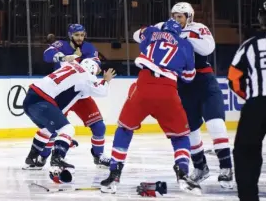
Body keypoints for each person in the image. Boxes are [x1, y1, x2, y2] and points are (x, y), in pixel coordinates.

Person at [100, 19, 201, 196]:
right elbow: (189, 77)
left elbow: (137, 35)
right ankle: (183, 171)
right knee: (181, 136)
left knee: (124, 129)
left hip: (144, 85)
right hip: (169, 89)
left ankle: (114, 173)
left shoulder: (152, 32)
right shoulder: (186, 44)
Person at [155, 2, 233, 188]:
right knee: (190, 130)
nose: (176, 19)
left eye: (180, 16)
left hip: (204, 81)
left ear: (189, 17)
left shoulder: (199, 28)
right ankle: (200, 167)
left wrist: (180, 38)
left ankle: (226, 168)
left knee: (216, 124)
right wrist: (162, 30)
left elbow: (207, 49)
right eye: (174, 16)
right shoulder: (165, 27)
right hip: (182, 84)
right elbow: (137, 35)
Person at [23, 24, 111, 170]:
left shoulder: (89, 48)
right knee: (55, 127)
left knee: (98, 126)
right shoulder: (61, 45)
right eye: (77, 35)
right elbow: (47, 54)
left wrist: (73, 58)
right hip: (62, 95)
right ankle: (42, 157)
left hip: (81, 93)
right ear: (70, 35)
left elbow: (94, 64)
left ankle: (98, 156)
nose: (80, 38)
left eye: (82, 35)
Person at [23, 59, 116, 176]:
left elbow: (63, 60)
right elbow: (101, 91)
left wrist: (64, 57)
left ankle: (32, 159)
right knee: (67, 129)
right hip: (44, 100)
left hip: (32, 97)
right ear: (93, 69)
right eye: (96, 71)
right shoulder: (87, 78)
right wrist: (106, 80)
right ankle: (57, 159)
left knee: (49, 129)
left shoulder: (71, 63)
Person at [228, 2, 266, 201]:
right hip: (257, 101)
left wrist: (251, 98)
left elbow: (234, 78)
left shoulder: (251, 44)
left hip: (257, 104)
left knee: (246, 152)